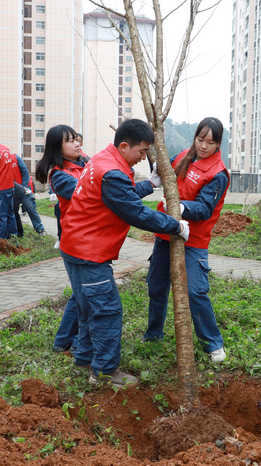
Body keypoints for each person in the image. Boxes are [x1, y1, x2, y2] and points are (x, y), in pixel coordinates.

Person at [59, 119, 190, 388]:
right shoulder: (113, 173)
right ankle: (104, 372)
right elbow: (135, 212)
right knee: (106, 311)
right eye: (141, 152)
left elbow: (123, 195)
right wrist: (175, 225)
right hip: (89, 252)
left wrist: (150, 184)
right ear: (124, 145)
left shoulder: (102, 160)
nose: (143, 159)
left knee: (86, 308)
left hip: (74, 246)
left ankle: (84, 357)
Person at [143, 117, 229, 363]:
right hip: (165, 233)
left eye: (210, 142)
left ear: (218, 144)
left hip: (193, 240)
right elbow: (167, 168)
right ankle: (153, 336)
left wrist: (178, 206)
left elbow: (204, 209)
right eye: (200, 139)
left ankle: (213, 343)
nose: (204, 146)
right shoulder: (184, 155)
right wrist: (157, 169)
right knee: (156, 286)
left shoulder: (218, 174)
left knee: (195, 292)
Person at [35, 124, 86, 353]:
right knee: (83, 296)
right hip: (75, 241)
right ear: (58, 147)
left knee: (81, 293)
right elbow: (87, 193)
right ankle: (69, 343)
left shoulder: (81, 164)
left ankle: (63, 341)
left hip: (85, 238)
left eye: (77, 139)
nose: (77, 143)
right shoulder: (60, 175)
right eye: (70, 141)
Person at [13, 155, 45, 237]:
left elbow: (25, 171)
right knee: (13, 212)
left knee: (30, 208)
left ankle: (40, 229)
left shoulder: (15, 158)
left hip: (24, 189)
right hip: (13, 191)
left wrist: (23, 187)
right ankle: (17, 233)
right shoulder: (1, 163)